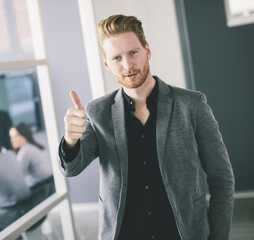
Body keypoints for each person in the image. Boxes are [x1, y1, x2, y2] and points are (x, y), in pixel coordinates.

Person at [58, 14, 235, 240]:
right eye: (117, 58)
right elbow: (71, 169)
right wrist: (71, 140)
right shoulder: (98, 111)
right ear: (107, 64)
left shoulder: (192, 105)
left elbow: (221, 178)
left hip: (183, 233)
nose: (127, 65)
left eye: (133, 53)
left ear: (147, 51)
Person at [9, 122, 53, 187]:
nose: (12, 140)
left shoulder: (25, 151)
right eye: (11, 137)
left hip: (42, 187)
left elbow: (19, 175)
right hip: (50, 182)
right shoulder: (35, 146)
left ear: (23, 135)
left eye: (15, 136)